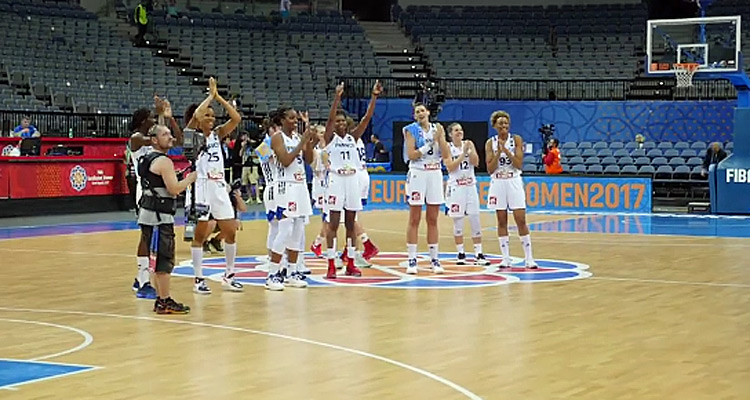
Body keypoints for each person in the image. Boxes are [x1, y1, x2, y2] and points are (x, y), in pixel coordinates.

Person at [187, 77, 243, 294]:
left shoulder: (218, 135)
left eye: (213, 115)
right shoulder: (192, 134)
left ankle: (229, 275)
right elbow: (195, 116)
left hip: (219, 185)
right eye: (207, 115)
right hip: (200, 187)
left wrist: (218, 97)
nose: (210, 118)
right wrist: (209, 97)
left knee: (230, 231)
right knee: (200, 234)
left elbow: (236, 118)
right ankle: (198, 279)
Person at [322, 82, 381, 278]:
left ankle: (351, 262)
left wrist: (374, 96)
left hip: (352, 181)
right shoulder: (331, 138)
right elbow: (329, 120)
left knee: (350, 224)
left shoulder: (352, 138)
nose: (339, 124)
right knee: (333, 224)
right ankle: (331, 264)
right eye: (337, 121)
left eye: (342, 121)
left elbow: (366, 119)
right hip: (336, 181)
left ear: (347, 124)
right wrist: (337, 97)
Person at [137, 124, 196, 314]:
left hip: (147, 213)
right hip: (160, 217)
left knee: (156, 258)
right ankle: (164, 300)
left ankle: (161, 299)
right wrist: (189, 179)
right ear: (155, 139)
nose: (171, 137)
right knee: (164, 259)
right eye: (165, 134)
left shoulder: (146, 157)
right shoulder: (164, 161)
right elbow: (174, 189)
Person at [267, 107, 316, 290]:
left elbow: (309, 160)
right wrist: (301, 142)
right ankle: (273, 274)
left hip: (301, 185)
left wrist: (308, 142)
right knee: (285, 230)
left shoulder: (297, 137)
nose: (295, 121)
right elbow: (285, 160)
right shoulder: (277, 137)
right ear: (282, 120)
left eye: (296, 118)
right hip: (285, 186)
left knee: (298, 231)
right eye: (291, 118)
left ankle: (292, 271)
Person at [485, 111, 537, 269]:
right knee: (501, 220)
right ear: (495, 126)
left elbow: (519, 164)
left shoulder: (516, 140)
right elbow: (490, 169)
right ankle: (505, 258)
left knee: (520, 219)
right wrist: (498, 152)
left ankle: (529, 258)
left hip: (513, 180)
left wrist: (506, 151)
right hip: (498, 181)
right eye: (500, 123)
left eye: (506, 123)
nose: (504, 126)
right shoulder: (490, 143)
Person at [402, 103, 450, 274]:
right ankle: (412, 259)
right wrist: (430, 144)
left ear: (428, 113)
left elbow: (445, 155)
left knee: (433, 218)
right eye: (417, 112)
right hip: (417, 172)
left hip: (435, 173)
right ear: (414, 116)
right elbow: (412, 154)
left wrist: (440, 139)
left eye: (422, 110)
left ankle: (434, 259)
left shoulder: (438, 128)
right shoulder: (410, 130)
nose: (420, 113)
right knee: (414, 218)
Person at [443, 123, 489, 266]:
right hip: (456, 187)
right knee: (458, 221)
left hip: (470, 186)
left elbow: (476, 163)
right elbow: (450, 167)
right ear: (450, 134)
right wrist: (463, 154)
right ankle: (460, 253)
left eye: (461, 130)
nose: (460, 132)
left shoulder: (469, 144)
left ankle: (478, 253)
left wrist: (471, 151)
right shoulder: (447, 147)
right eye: (456, 130)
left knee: (475, 218)